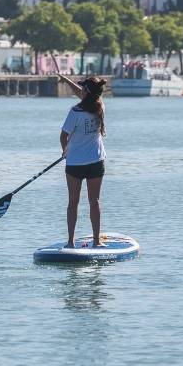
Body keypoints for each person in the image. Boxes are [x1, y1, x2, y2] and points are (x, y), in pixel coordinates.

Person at [57, 73, 108, 247]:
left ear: (86, 91)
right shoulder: (99, 105)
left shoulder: (75, 111)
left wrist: (65, 151)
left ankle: (71, 242)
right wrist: (68, 81)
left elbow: (63, 136)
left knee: (73, 202)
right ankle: (96, 241)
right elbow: (84, 93)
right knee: (95, 202)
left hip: (75, 164)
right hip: (95, 162)